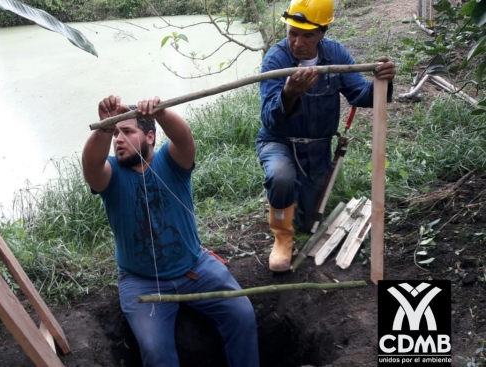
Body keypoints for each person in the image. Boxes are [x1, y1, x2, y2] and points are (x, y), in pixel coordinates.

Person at [82, 95, 260, 367]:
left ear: (150, 137)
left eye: (127, 131)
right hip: (141, 281)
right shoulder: (110, 174)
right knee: (156, 351)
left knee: (242, 314)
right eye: (115, 133)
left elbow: (184, 138)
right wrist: (105, 127)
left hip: (197, 268)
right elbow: (91, 165)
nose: (118, 139)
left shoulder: (172, 162)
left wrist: (161, 113)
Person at [258, 0, 396, 272]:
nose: (297, 43)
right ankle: (282, 239)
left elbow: (361, 95)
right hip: (279, 141)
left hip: (318, 149)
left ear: (323, 32)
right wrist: (289, 93)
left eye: (307, 35)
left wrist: (383, 80)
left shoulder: (336, 55)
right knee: (281, 176)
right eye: (292, 33)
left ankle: (292, 213)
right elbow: (269, 118)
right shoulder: (276, 60)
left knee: (308, 222)